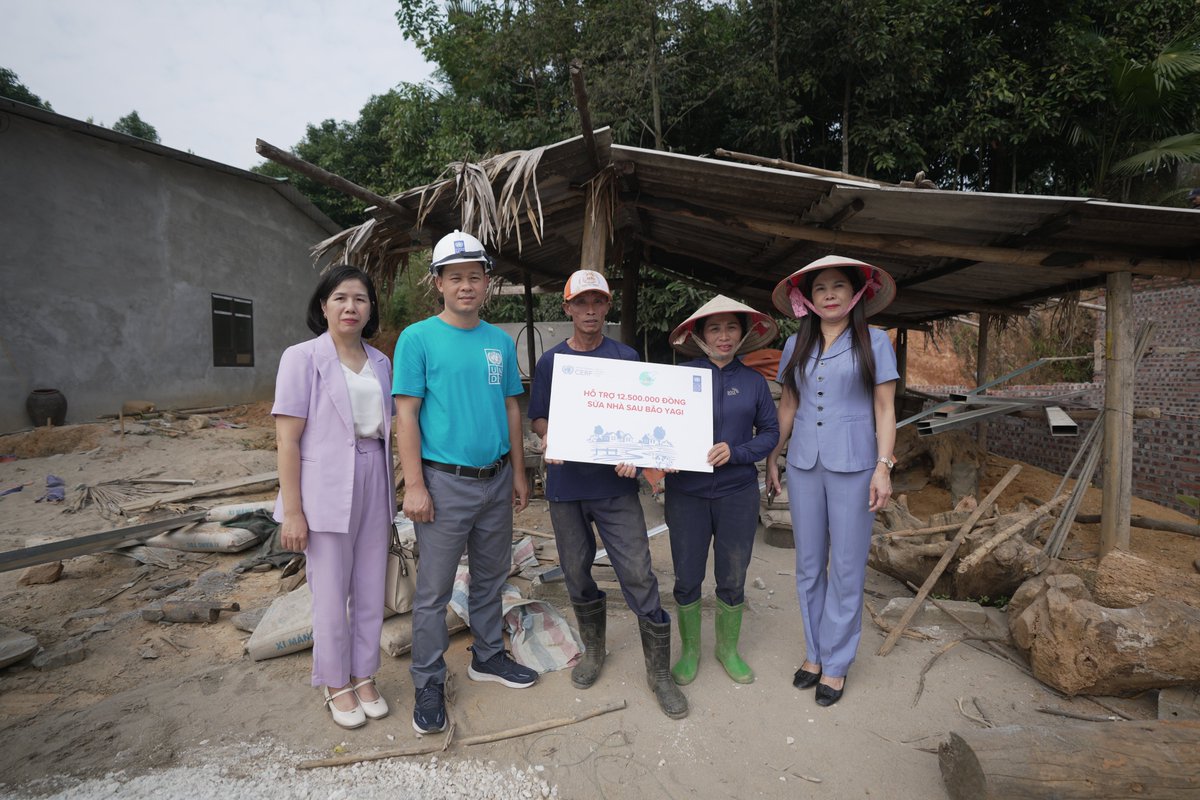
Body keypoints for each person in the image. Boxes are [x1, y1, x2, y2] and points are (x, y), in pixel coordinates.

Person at [527, 269, 688, 719]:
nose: (591, 310)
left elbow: (639, 417)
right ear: (568, 309)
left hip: (615, 487)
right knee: (576, 572)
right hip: (566, 488)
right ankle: (593, 650)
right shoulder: (551, 363)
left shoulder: (626, 357)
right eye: (582, 303)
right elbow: (538, 417)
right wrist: (551, 435)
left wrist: (637, 453)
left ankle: (659, 673)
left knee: (637, 571)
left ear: (607, 306)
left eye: (598, 302)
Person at [393, 230, 534, 735]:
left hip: (496, 479)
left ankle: (488, 656)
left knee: (492, 577)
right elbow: (405, 416)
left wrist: (519, 472)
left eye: (475, 276)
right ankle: (428, 680)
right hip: (444, 482)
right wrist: (414, 485)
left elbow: (511, 407)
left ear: (487, 283)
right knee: (432, 591)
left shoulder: (497, 341)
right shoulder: (418, 338)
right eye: (456, 277)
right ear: (439, 283)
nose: (466, 285)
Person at [765, 255, 898, 707]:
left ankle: (837, 663)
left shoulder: (874, 341)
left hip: (856, 466)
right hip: (803, 464)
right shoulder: (795, 345)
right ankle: (815, 654)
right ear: (807, 298)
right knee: (808, 565)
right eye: (819, 287)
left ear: (856, 293)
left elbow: (885, 408)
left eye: (838, 285)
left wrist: (884, 465)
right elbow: (787, 407)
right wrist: (773, 456)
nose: (829, 294)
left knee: (845, 566)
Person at [273, 264, 394, 729]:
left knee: (369, 587)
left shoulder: (381, 362)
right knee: (329, 591)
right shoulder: (301, 358)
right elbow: (287, 440)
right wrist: (293, 511)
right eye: (340, 298)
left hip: (373, 479)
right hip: (323, 487)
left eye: (360, 299)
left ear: (370, 309)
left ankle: (364, 674)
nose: (350, 307)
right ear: (323, 305)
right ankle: (334, 680)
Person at [664, 296, 779, 685]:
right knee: (687, 574)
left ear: (743, 333)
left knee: (733, 574)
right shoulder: (679, 379)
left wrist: (738, 452)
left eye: (731, 327)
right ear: (698, 335)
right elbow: (659, 427)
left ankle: (727, 648)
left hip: (737, 493)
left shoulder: (754, 383)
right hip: (686, 493)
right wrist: (659, 455)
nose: (724, 336)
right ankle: (691, 650)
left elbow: (771, 434)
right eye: (714, 328)